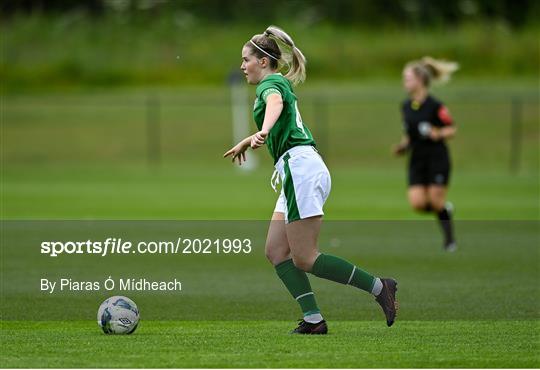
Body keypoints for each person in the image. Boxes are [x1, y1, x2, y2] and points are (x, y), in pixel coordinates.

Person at [224, 25, 398, 334]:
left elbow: (275, 105)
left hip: (300, 169)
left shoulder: (270, 85)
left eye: (245, 59)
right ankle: (314, 320)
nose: (242, 66)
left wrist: (262, 131)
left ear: (263, 61)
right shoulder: (275, 82)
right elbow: (283, 118)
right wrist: (250, 138)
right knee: (276, 252)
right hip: (298, 168)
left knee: (304, 257)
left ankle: (379, 287)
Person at [394, 57, 459, 251]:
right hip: (416, 158)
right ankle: (445, 210)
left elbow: (452, 129)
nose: (405, 82)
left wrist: (437, 133)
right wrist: (402, 146)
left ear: (420, 80)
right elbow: (409, 134)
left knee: (436, 201)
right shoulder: (405, 106)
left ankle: (449, 240)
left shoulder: (435, 105)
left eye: (407, 78)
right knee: (418, 203)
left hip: (437, 157)